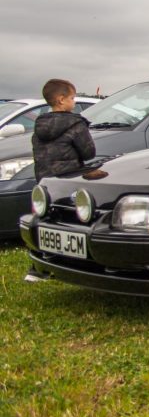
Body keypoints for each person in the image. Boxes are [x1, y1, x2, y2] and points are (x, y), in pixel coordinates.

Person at [25, 79, 96, 282]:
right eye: (73, 98)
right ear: (61, 99)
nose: (74, 102)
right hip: (69, 178)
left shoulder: (40, 124)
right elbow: (89, 152)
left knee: (44, 221)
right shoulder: (75, 123)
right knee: (73, 224)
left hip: (45, 180)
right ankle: (78, 263)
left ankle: (38, 267)